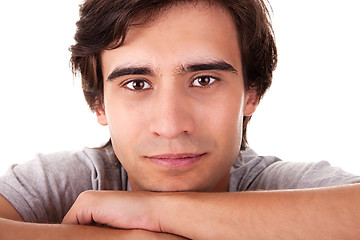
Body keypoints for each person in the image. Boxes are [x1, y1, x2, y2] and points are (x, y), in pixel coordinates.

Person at [0, 0, 359, 239]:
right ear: (99, 104)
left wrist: (155, 211)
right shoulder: (64, 182)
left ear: (252, 92)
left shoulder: (275, 184)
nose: (170, 125)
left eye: (204, 80)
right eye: (137, 83)